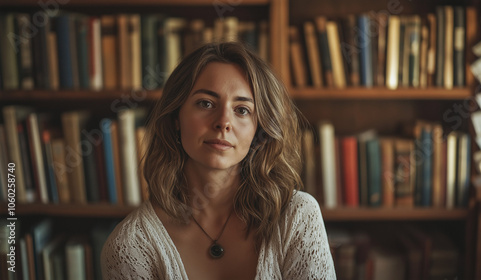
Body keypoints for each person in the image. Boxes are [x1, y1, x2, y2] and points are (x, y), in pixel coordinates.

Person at [101, 42, 336, 279]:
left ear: (259, 128)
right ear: (175, 117)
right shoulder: (129, 246)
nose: (223, 122)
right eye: (206, 103)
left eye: (242, 109)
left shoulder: (298, 217)